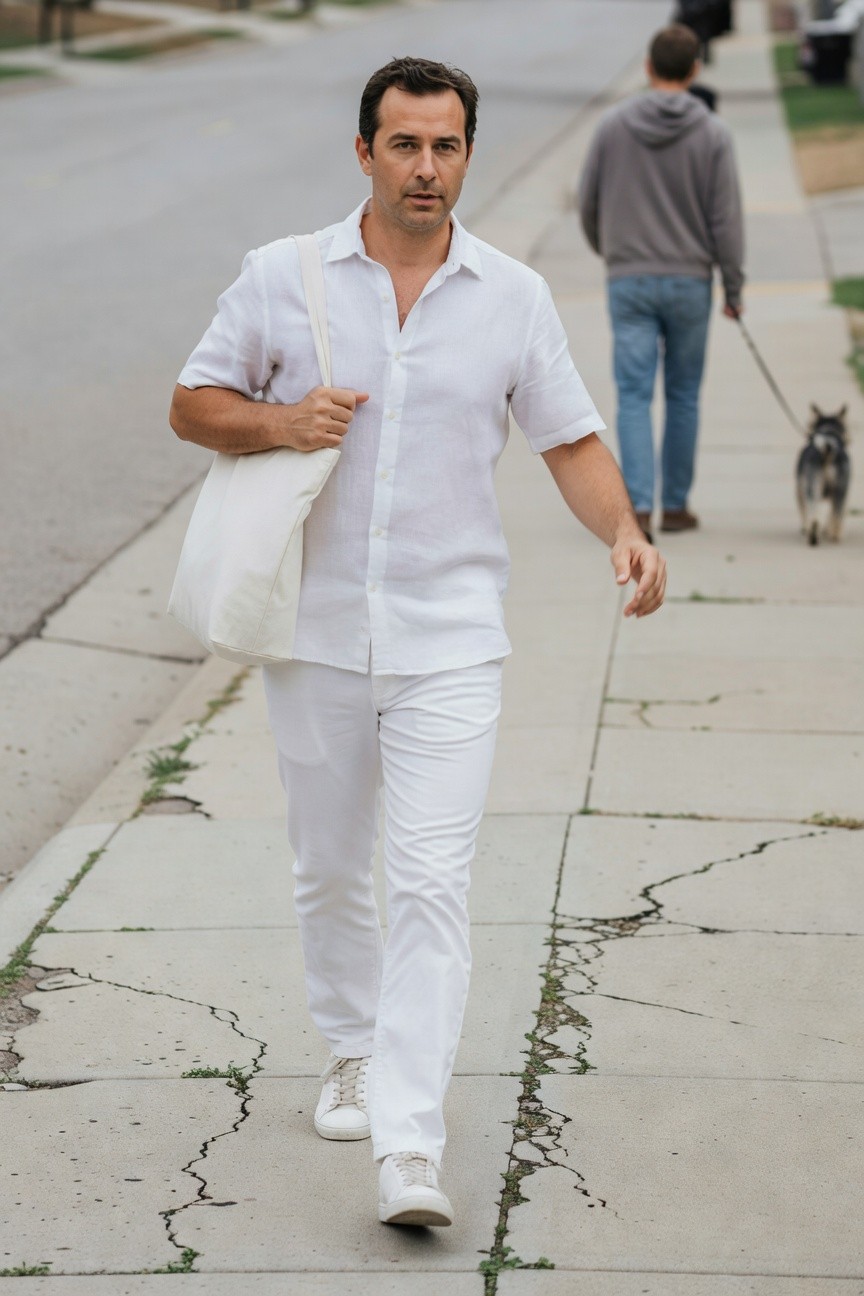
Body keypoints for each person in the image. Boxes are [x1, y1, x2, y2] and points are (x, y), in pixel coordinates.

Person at [169, 56, 666, 1230]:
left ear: (467, 157)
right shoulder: (282, 279)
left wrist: (627, 530)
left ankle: (409, 1143)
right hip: (320, 632)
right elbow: (193, 401)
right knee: (333, 865)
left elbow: (569, 440)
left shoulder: (511, 296)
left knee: (435, 883)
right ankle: (348, 1045)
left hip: (453, 636)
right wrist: (281, 421)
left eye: (445, 147)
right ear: (364, 153)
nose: (426, 168)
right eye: (405, 145)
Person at [577, 24, 744, 541]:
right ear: (695, 70)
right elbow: (727, 221)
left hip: (629, 279)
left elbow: (588, 203)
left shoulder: (612, 126)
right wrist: (733, 287)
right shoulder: (713, 134)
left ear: (648, 67)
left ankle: (639, 507)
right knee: (684, 393)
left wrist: (614, 251)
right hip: (691, 281)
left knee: (632, 393)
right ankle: (675, 504)